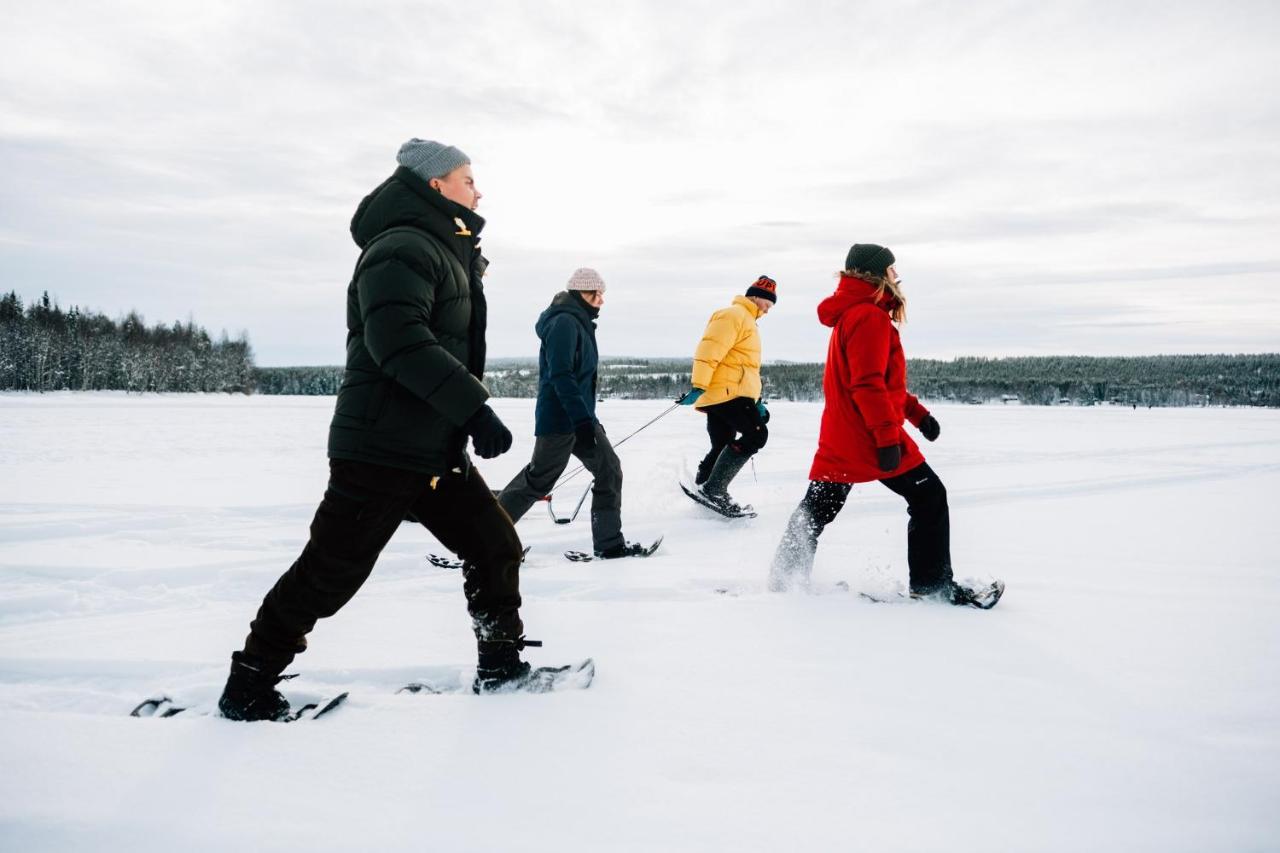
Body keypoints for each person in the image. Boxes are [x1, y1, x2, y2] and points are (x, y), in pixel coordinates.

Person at [217, 139, 567, 721]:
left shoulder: (442, 248)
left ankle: (501, 667)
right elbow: (399, 342)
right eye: (467, 179)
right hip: (381, 447)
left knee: (495, 545)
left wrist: (459, 418)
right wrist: (474, 408)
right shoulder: (401, 247)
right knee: (329, 574)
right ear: (435, 186)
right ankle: (249, 683)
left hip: (433, 451)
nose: (478, 191)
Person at [768, 244, 1001, 608]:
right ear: (874, 275)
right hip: (867, 434)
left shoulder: (856, 314)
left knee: (820, 506)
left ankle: (785, 579)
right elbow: (868, 384)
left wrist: (919, 415)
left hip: (844, 433)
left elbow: (884, 385)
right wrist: (886, 439)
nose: (897, 275)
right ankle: (932, 586)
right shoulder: (869, 317)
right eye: (892, 269)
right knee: (929, 496)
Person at [496, 269, 650, 558]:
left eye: (602, 294)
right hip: (560, 420)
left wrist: (585, 420)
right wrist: (580, 420)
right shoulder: (564, 322)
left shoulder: (580, 321)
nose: (601, 300)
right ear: (579, 293)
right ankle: (484, 540)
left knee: (609, 470)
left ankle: (609, 544)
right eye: (595, 294)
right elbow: (561, 375)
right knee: (537, 481)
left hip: (581, 418)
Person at [678, 276, 777, 515]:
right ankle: (714, 490)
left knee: (722, 442)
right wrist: (699, 384)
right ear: (755, 296)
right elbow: (709, 350)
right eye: (767, 303)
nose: (768, 309)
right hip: (728, 393)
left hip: (729, 392)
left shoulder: (748, 321)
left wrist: (757, 402)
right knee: (756, 435)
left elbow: (745, 367)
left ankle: (704, 485)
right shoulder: (734, 315)